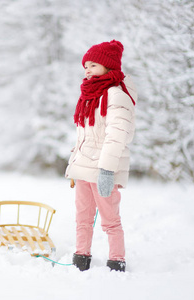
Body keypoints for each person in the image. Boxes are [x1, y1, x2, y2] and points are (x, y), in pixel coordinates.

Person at [65, 40, 137, 272]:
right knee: (82, 218)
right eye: (85, 65)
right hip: (84, 167)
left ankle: (117, 261)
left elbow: (116, 137)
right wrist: (74, 164)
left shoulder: (116, 95)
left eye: (93, 64)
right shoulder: (89, 95)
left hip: (103, 169)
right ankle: (81, 257)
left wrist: (106, 170)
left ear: (108, 67)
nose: (87, 69)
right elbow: (85, 136)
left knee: (110, 220)